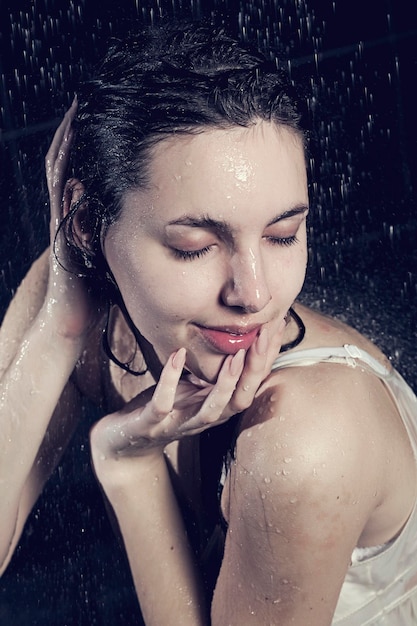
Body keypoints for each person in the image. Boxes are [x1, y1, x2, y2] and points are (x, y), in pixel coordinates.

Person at [1, 21, 417, 625]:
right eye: (195, 245)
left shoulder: (308, 436)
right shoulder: (75, 294)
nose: (252, 293)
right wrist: (59, 326)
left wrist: (128, 464)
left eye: (283, 236)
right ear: (89, 228)